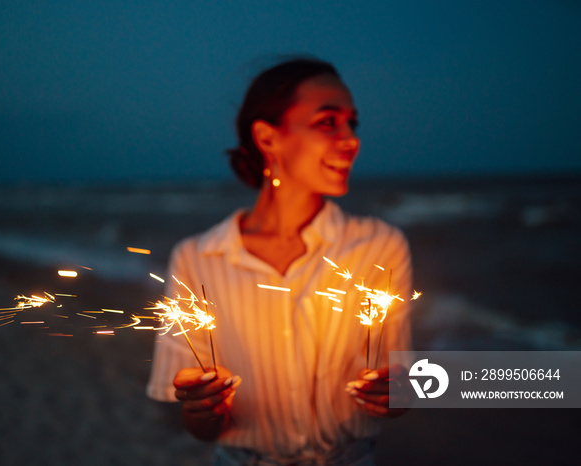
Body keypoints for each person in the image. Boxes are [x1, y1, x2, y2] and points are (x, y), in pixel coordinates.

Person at [147, 58, 412, 465]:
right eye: (328, 122)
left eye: (352, 124)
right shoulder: (197, 258)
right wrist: (202, 407)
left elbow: (397, 395)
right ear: (268, 137)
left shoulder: (379, 246)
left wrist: (394, 394)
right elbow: (202, 429)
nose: (351, 140)